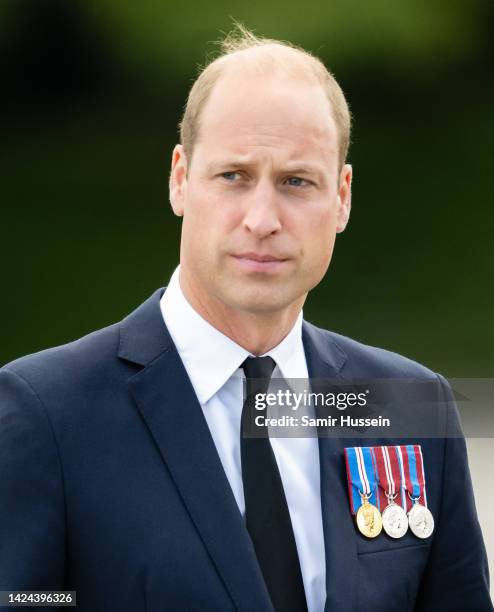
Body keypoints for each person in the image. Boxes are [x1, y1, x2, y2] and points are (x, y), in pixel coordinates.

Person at [0, 24, 492, 612]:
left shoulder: (408, 404)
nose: (262, 218)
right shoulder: (46, 412)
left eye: (296, 181)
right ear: (180, 178)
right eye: (234, 176)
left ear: (343, 197)